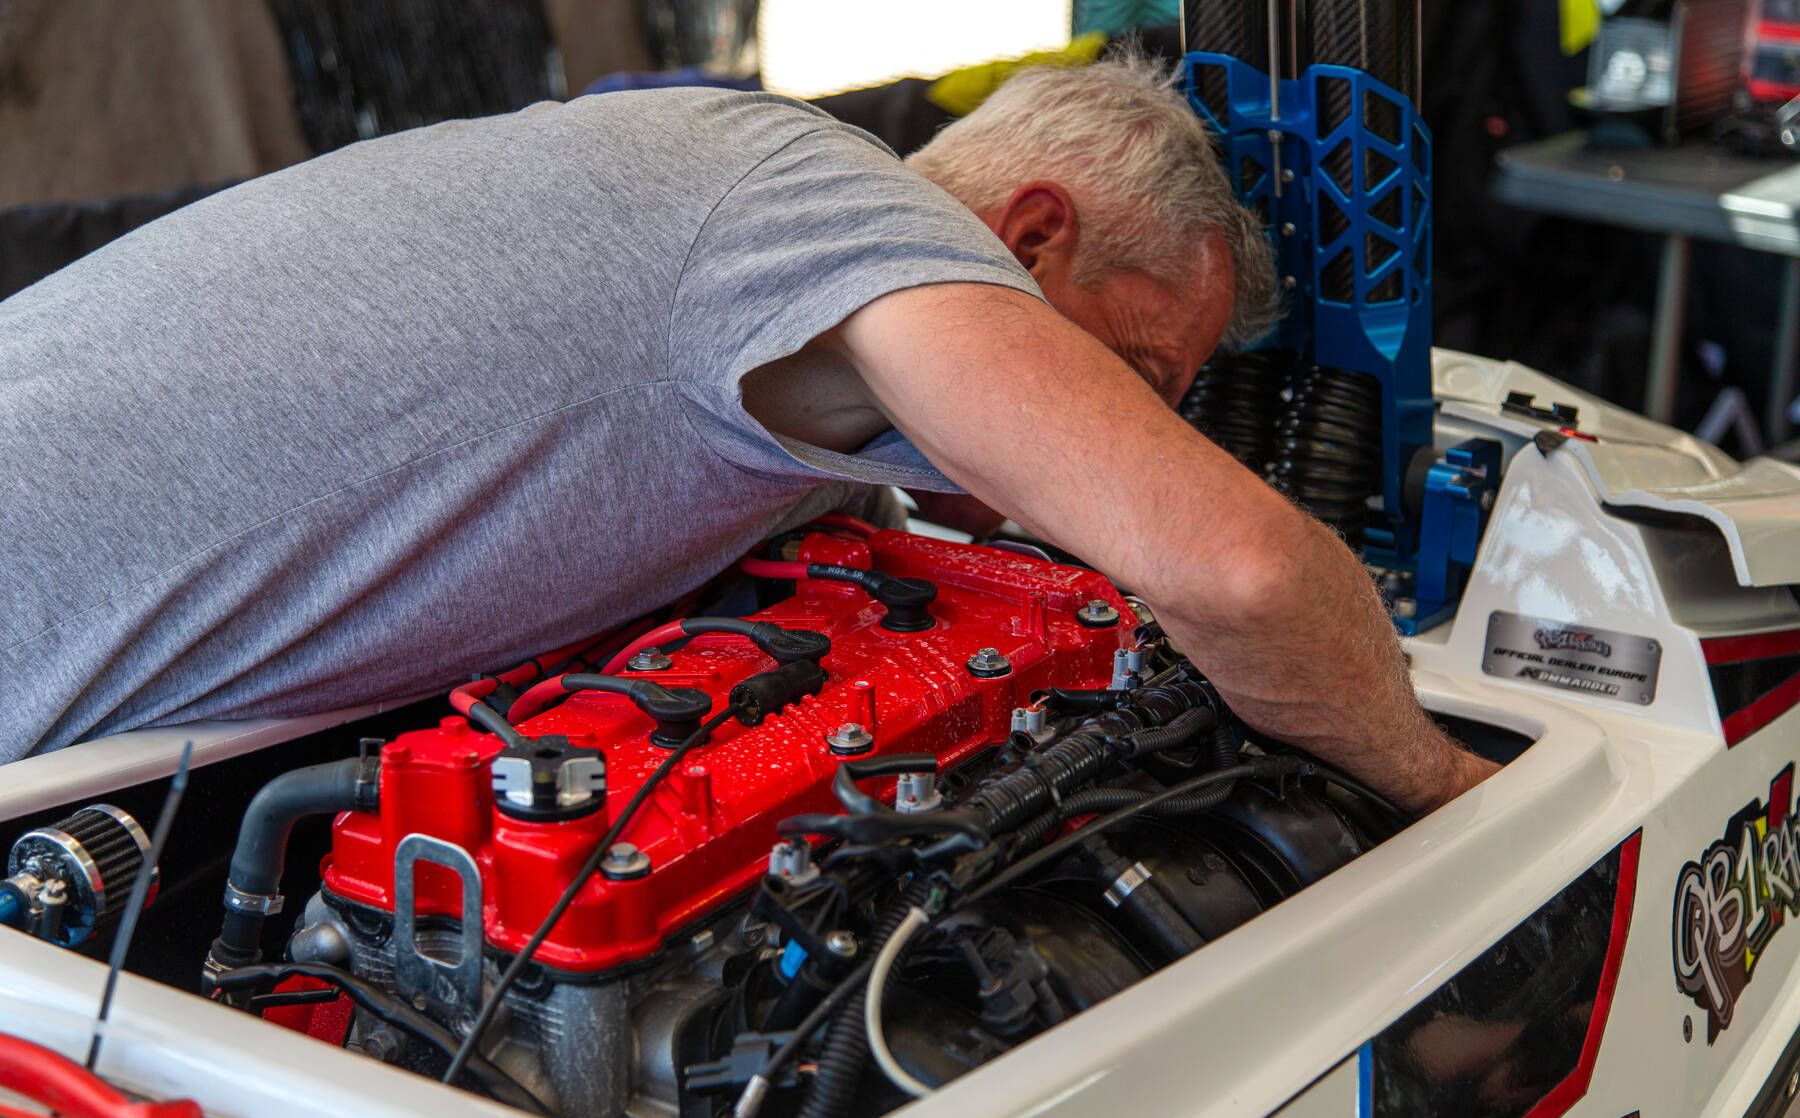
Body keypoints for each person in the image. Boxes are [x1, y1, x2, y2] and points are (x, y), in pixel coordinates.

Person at [0, 55, 1498, 810]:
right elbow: (1237, 568)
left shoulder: (754, 284)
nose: (1143, 418)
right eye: (1144, 370)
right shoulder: (830, 207)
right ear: (1033, 234)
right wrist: (1447, 789)